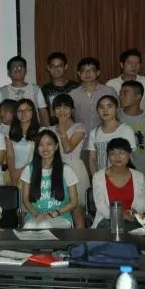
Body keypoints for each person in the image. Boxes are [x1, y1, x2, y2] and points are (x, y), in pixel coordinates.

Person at [20, 130, 79, 229]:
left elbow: (74, 202)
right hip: (36, 215)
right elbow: (25, 200)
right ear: (37, 148)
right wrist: (36, 214)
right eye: (41, 145)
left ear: (56, 146)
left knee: (45, 225)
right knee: (28, 226)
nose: (45, 148)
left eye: (49, 144)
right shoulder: (29, 169)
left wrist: (54, 213)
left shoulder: (66, 169)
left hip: (60, 215)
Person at [49, 94, 90, 229]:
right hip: (55, 170)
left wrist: (62, 129)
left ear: (72, 110)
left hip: (75, 169)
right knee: (57, 208)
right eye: (58, 108)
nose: (62, 111)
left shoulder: (79, 127)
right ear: (53, 111)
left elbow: (67, 148)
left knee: (77, 210)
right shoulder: (49, 130)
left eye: (66, 107)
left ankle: (80, 240)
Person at [68, 57, 118, 167]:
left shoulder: (109, 91)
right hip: (81, 144)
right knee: (84, 174)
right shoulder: (72, 94)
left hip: (106, 141)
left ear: (98, 72)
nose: (88, 73)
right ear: (79, 74)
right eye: (84, 70)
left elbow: (117, 115)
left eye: (91, 70)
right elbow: (69, 119)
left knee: (106, 173)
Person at [92, 138, 145, 230]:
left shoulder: (139, 176)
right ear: (108, 156)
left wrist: (132, 212)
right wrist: (121, 215)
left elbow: (141, 205)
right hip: (107, 221)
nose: (117, 157)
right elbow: (101, 207)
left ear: (129, 154)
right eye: (112, 153)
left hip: (132, 220)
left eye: (121, 153)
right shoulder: (98, 177)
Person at [0, 56, 50, 126]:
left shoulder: (35, 89)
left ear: (26, 71)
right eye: (14, 67)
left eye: (20, 67)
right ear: (9, 73)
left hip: (33, 129)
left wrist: (47, 128)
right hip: (9, 130)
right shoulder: (2, 91)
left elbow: (43, 112)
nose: (17, 69)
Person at [87, 95, 136, 176]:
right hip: (102, 178)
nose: (105, 110)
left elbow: (130, 158)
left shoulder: (126, 130)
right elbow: (92, 160)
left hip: (122, 177)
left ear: (117, 109)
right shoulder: (94, 133)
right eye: (101, 107)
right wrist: (96, 179)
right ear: (97, 111)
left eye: (109, 106)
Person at [6, 99, 39, 186]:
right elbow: (10, 156)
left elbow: (39, 156)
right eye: (20, 111)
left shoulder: (41, 132)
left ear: (33, 112)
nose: (23, 113)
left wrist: (20, 171)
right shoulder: (10, 133)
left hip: (34, 174)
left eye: (27, 110)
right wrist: (13, 173)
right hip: (14, 175)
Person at [40, 52, 79, 126]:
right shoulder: (44, 90)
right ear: (48, 68)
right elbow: (43, 114)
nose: (56, 69)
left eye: (60, 66)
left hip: (74, 129)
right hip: (53, 129)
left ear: (65, 67)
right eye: (53, 66)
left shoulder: (76, 87)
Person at [119, 80, 145, 175]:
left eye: (125, 93)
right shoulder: (114, 116)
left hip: (141, 172)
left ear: (138, 97)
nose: (120, 97)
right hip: (117, 173)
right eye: (120, 94)